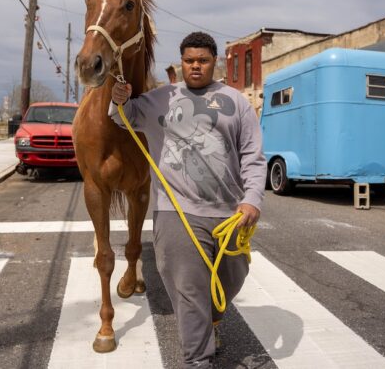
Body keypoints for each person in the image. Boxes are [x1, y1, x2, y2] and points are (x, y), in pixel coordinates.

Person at [109, 31, 267, 368]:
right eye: (189, 60)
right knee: (190, 292)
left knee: (229, 280)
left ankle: (210, 324)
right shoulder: (159, 99)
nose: (195, 66)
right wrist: (118, 96)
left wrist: (252, 199)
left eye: (203, 60)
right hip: (177, 212)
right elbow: (120, 115)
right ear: (181, 62)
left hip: (229, 213)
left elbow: (253, 155)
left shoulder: (236, 102)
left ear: (214, 62)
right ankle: (198, 360)